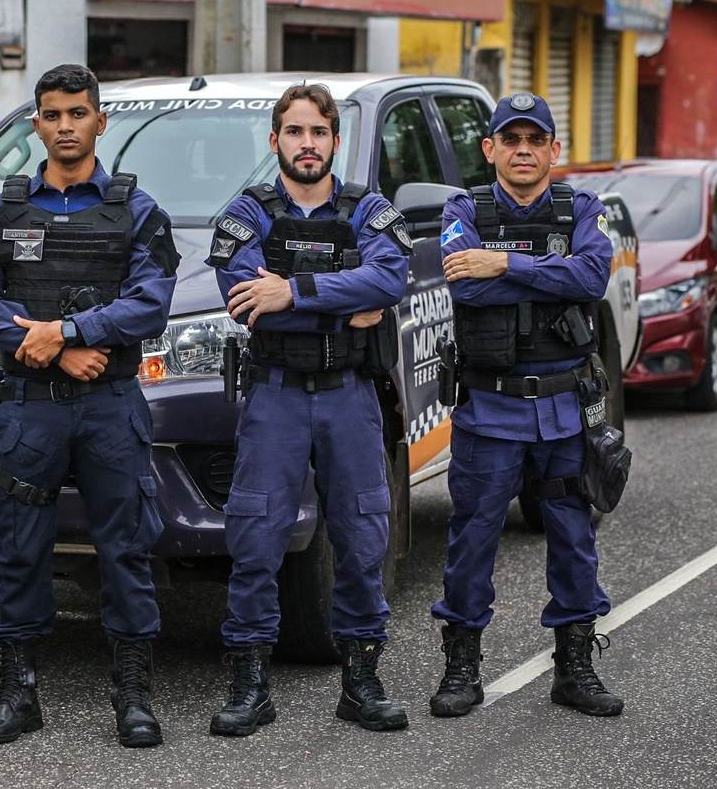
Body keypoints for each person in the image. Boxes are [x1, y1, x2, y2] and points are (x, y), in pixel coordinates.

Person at [0, 64, 180, 749]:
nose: (64, 127)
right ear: (36, 124)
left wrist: (74, 331)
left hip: (110, 403)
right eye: (51, 115)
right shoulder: (1, 213)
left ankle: (134, 697)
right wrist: (57, 351)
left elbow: (151, 302)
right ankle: (18, 695)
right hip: (32, 406)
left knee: (125, 549)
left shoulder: (138, 212)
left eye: (76, 114)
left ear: (99, 122)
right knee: (20, 549)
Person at [205, 82, 411, 736]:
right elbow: (240, 290)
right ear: (275, 142)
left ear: (335, 141)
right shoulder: (249, 212)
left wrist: (290, 291)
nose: (307, 144)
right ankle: (249, 686)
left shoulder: (367, 208)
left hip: (350, 397)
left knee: (361, 536)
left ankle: (362, 681)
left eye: (318, 133)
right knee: (256, 538)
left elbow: (391, 278)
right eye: (294, 132)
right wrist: (344, 305)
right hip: (276, 397)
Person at [429, 92, 623, 718]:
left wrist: (504, 260)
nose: (522, 150)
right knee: (473, 538)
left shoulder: (581, 207)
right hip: (490, 409)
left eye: (533, 140)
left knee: (572, 538)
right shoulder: (465, 208)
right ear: (489, 150)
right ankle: (461, 665)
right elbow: (464, 281)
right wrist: (546, 267)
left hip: (567, 411)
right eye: (509, 140)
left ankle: (575, 668)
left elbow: (593, 278)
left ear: (552, 150)